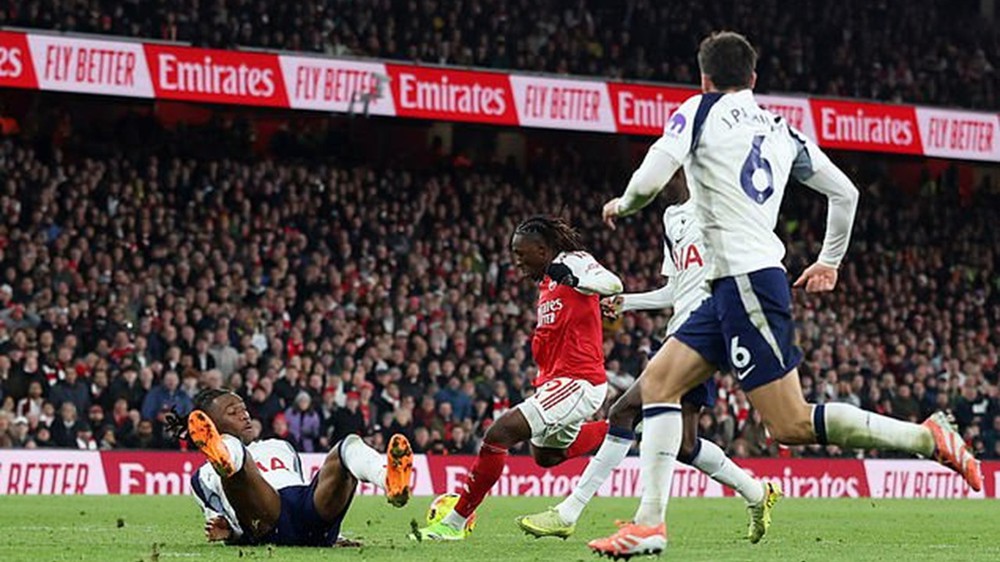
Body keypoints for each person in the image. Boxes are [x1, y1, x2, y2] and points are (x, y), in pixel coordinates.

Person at [589, 31, 981, 558]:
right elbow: (846, 192)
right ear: (753, 79)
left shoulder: (698, 110)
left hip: (748, 281)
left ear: (704, 78)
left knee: (789, 423)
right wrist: (830, 261)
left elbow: (653, 175)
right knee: (659, 383)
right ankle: (649, 524)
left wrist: (623, 203)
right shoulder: (782, 130)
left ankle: (926, 438)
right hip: (726, 286)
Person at [516, 180, 779, 543]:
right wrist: (628, 301)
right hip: (681, 332)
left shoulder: (719, 207)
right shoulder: (672, 219)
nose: (660, 183)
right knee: (686, 445)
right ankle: (756, 493)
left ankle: (572, 511)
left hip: (703, 331)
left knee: (624, 411)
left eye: (667, 173)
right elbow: (674, 290)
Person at [412, 216, 623, 541]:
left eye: (522, 254)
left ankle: (453, 524)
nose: (518, 262)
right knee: (546, 456)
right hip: (557, 382)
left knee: (500, 433)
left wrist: (574, 279)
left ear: (543, 250)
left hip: (578, 381)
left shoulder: (574, 261)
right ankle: (626, 428)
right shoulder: (546, 284)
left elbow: (613, 284)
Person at [169, 389, 414, 546]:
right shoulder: (201, 477)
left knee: (347, 444)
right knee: (235, 450)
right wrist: (229, 534)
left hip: (304, 509)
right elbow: (221, 525)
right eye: (233, 412)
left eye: (244, 409)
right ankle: (224, 457)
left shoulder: (280, 445)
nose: (244, 415)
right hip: (265, 521)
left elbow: (300, 492)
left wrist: (335, 537)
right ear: (210, 423)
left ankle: (389, 480)